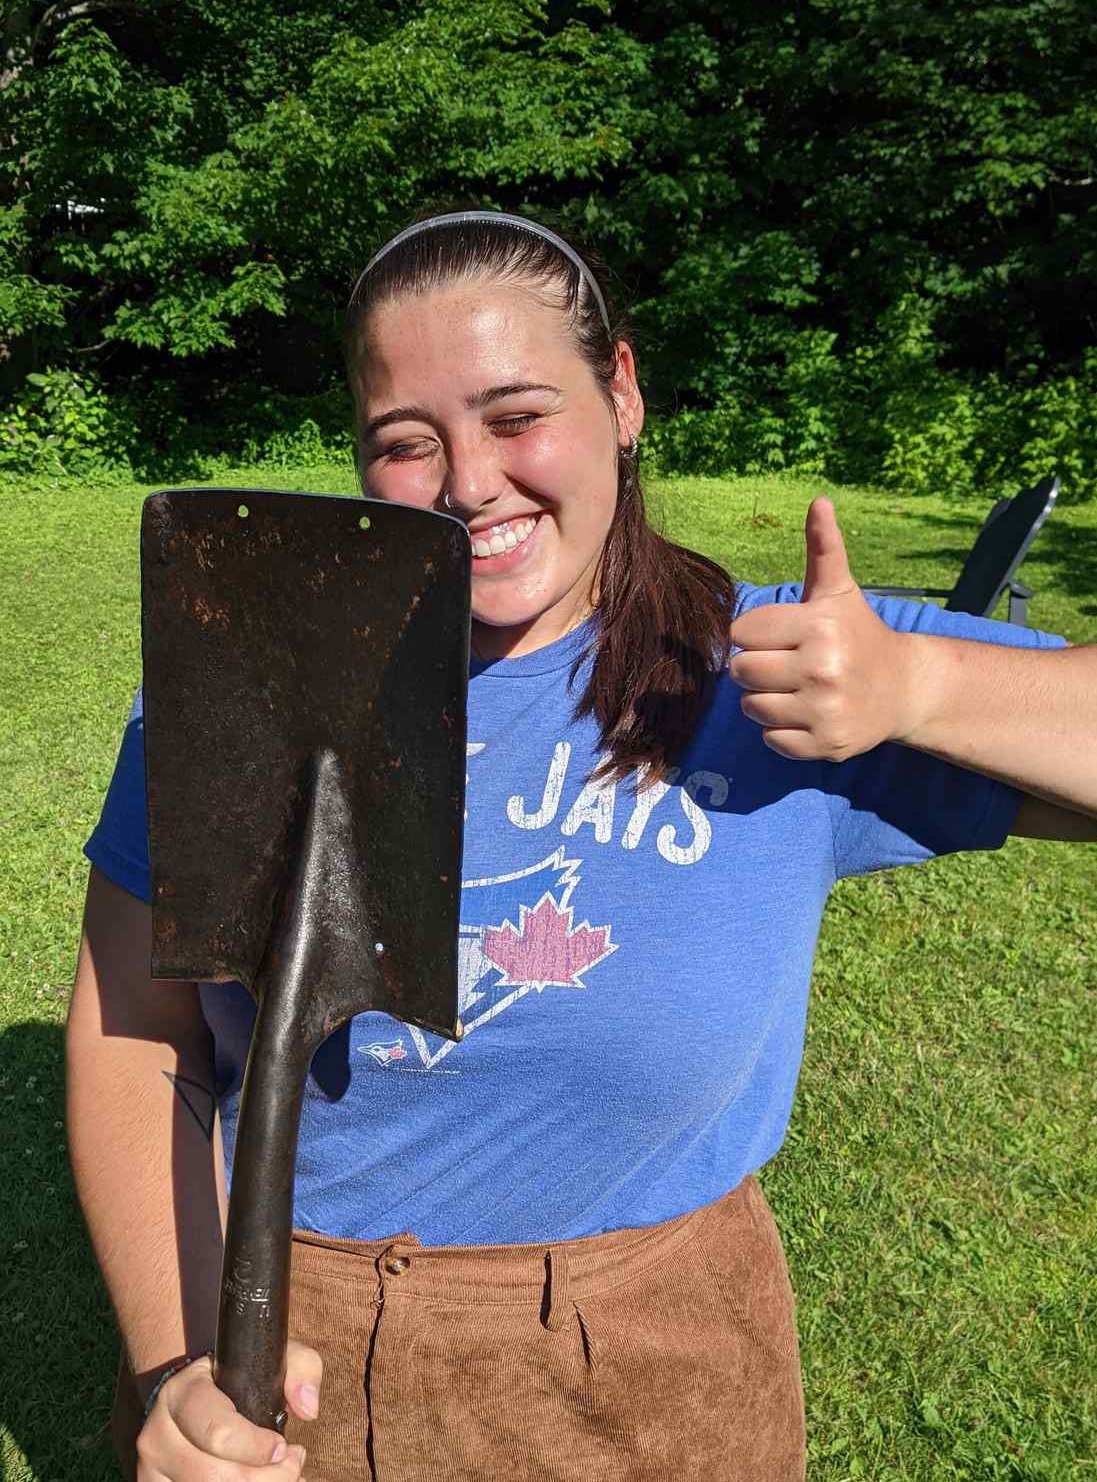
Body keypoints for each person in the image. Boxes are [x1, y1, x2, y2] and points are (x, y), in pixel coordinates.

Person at [67, 210, 1097, 1482]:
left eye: (514, 416)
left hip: (642, 1358)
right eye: (405, 441)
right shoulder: (260, 665)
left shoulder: (770, 665)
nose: (467, 483)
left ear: (619, 394)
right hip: (280, 1329)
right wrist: (177, 1362)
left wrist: (923, 688)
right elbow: (135, 1036)